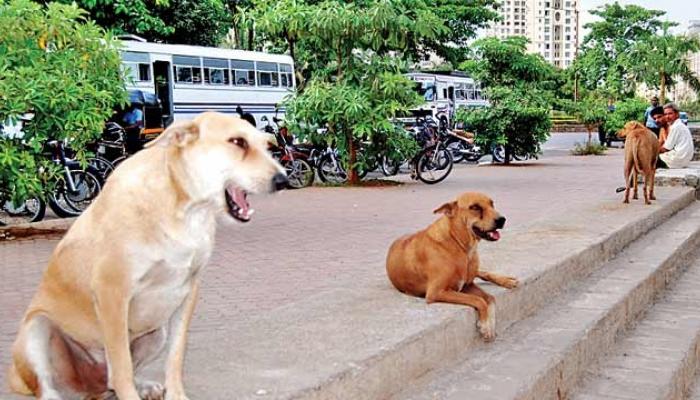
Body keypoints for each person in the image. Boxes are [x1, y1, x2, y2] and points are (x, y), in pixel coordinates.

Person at [658, 102, 694, 169]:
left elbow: (665, 149)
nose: (667, 117)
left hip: (677, 159)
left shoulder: (676, 127)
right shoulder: (678, 125)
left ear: (677, 114)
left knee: (648, 159)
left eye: (670, 114)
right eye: (665, 114)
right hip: (683, 159)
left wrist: (650, 151)